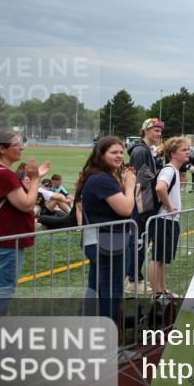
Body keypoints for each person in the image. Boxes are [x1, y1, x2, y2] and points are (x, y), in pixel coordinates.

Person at [0, 131, 47, 360]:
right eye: (17, 144)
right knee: (1, 294)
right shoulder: (3, 174)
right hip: (6, 243)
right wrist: (35, 179)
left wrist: (29, 180)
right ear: (2, 149)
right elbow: (27, 204)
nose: (21, 148)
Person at [74, 136, 136, 323]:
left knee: (96, 289)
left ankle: (88, 326)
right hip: (109, 243)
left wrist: (123, 185)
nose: (119, 156)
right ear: (101, 155)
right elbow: (126, 209)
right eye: (114, 152)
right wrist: (130, 187)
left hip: (99, 241)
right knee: (112, 293)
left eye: (121, 152)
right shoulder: (102, 179)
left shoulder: (97, 176)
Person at [126, 118, 163, 293]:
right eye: (156, 130)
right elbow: (140, 183)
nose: (159, 134)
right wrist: (144, 208)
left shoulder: (145, 150)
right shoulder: (140, 151)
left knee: (140, 241)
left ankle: (134, 278)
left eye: (160, 131)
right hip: (141, 205)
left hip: (144, 204)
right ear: (146, 131)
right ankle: (133, 280)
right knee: (138, 242)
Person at [149, 136, 189, 296]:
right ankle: (157, 293)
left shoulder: (174, 171)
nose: (187, 152)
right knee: (158, 258)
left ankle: (162, 290)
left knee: (162, 259)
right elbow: (160, 188)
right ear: (173, 154)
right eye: (184, 150)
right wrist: (169, 206)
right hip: (164, 219)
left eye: (188, 149)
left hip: (169, 220)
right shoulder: (169, 170)